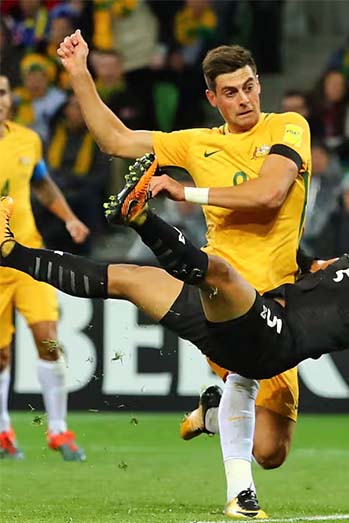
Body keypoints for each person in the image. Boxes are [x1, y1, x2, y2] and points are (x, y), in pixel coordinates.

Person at [0, 185, 349, 477]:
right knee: (130, 279)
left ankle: (144, 218)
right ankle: (10, 251)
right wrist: (302, 264)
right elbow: (320, 274)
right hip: (244, 328)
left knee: (220, 276)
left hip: (274, 342)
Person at [56, 31, 311, 517]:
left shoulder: (288, 127)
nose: (245, 99)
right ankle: (240, 495)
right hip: (219, 291)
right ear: (213, 99)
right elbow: (115, 140)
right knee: (246, 366)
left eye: (251, 86)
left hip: (279, 295)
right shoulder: (196, 144)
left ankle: (214, 415)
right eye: (231, 92)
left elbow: (269, 194)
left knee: (272, 451)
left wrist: (184, 194)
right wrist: (79, 73)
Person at [0, 74, 89, 461]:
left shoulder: (27, 139)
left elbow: (41, 183)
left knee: (48, 338)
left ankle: (58, 430)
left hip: (27, 257)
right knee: (0, 355)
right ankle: (3, 432)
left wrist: (68, 217)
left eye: (2, 91)